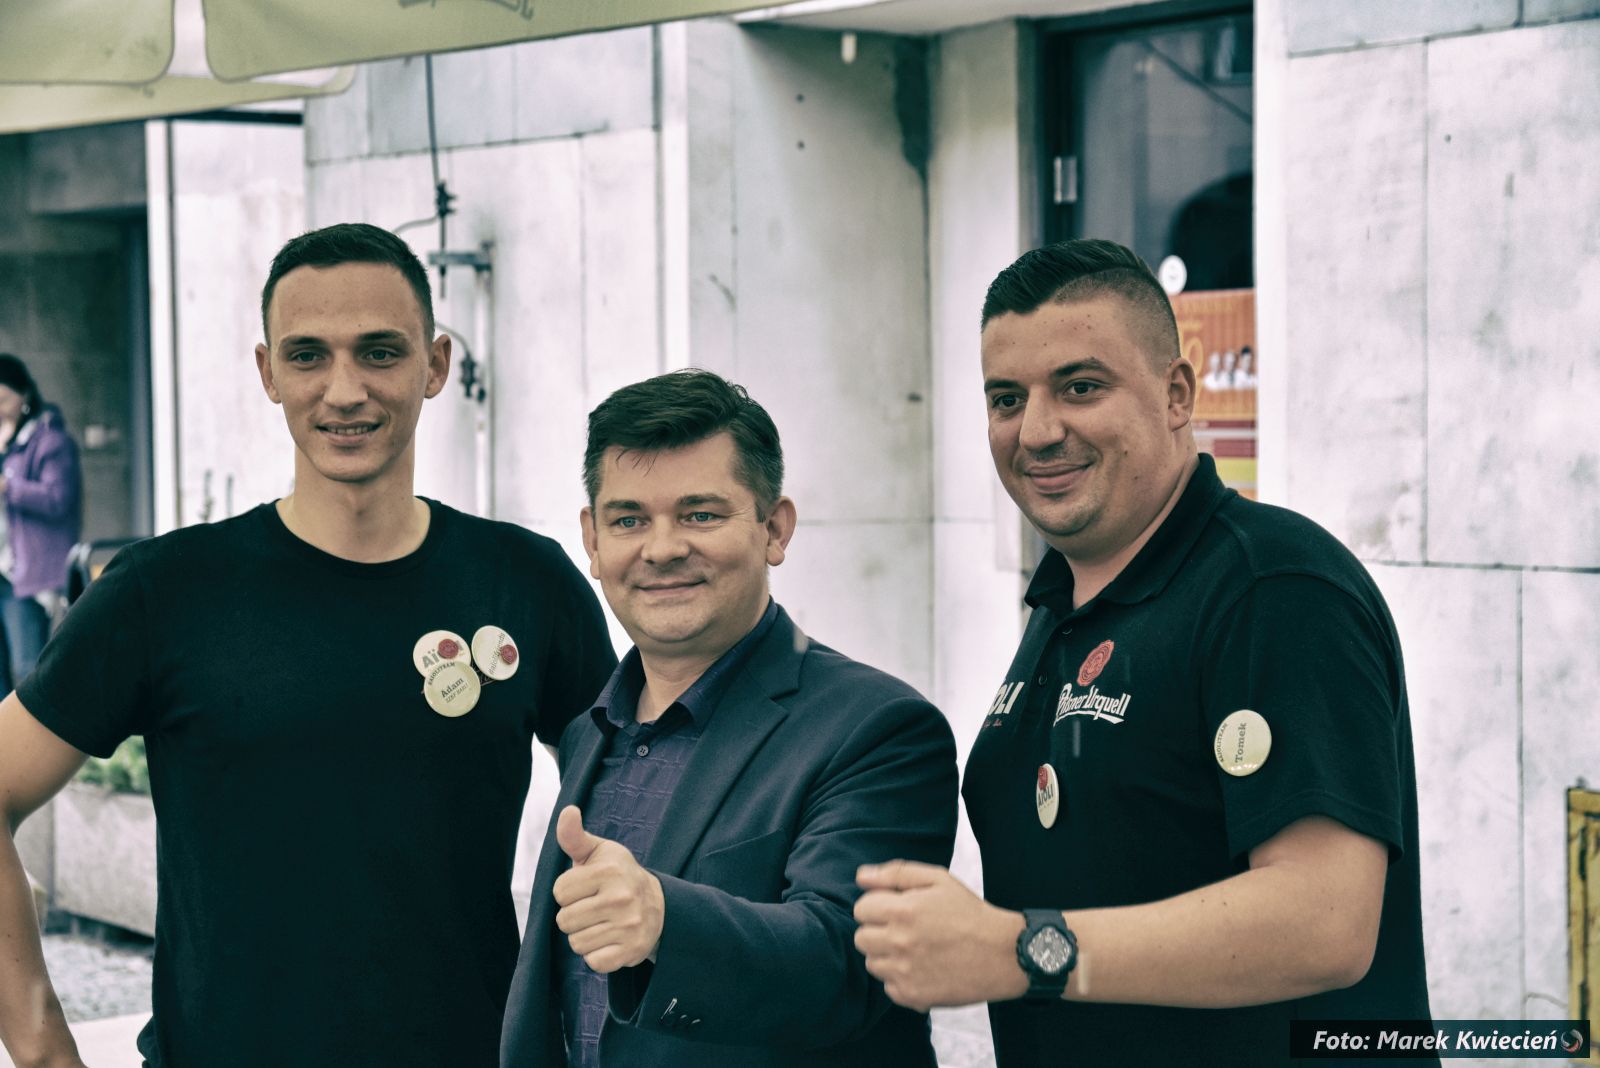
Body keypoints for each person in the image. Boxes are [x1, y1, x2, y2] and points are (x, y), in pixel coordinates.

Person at [0, 223, 617, 1068]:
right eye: (307, 356)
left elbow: (642, 799)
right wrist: (42, 1050)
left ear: (435, 364)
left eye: (380, 352)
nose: (344, 390)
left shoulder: (526, 583)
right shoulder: (164, 591)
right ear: (268, 373)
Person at [853, 239, 1434, 1066]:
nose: (1037, 431)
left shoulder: (1273, 588)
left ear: (1176, 394)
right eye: (1007, 398)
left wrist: (1021, 951)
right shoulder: (1067, 599)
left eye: (1080, 387)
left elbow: (1325, 923)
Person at [500, 370, 958, 1067]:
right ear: (592, 541)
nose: (661, 549)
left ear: (774, 528)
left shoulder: (880, 728)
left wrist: (665, 921)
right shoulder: (589, 731)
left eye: (700, 515)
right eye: (629, 520)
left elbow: (852, 963)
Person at [0, 355, 82, 692]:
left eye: (3, 399)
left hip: (27, 575)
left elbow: (58, 499)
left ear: (25, 396)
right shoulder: (6, 442)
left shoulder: (51, 441)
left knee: (28, 669)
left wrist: (9, 487)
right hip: (4, 568)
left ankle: (38, 729)